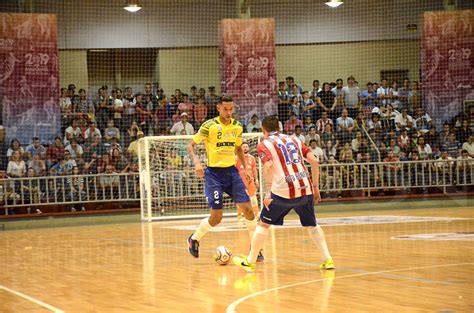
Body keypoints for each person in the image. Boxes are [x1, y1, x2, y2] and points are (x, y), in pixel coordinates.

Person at [232, 115, 334, 272]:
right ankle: (328, 260)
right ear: (279, 127)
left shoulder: (264, 144)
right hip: (304, 187)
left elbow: (269, 167)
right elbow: (314, 161)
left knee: (263, 224)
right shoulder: (295, 139)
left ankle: (250, 261)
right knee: (312, 224)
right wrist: (315, 187)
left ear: (263, 130)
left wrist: (267, 192)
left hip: (282, 190)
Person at [186, 95, 261, 260]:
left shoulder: (237, 126)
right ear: (218, 108)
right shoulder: (209, 126)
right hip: (214, 175)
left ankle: (256, 248)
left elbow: (239, 149)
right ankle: (194, 239)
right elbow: (190, 145)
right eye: (225, 109)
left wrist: (247, 169)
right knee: (216, 217)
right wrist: (197, 162)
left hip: (232, 172)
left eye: (231, 109)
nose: (228, 112)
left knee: (249, 210)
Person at [235, 142, 259, 220]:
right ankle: (239, 215)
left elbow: (254, 169)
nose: (245, 148)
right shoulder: (237, 158)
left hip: (250, 181)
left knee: (253, 198)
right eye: (243, 147)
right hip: (240, 181)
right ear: (241, 148)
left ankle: (256, 214)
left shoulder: (252, 158)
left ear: (248, 148)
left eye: (246, 146)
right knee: (241, 198)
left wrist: (256, 179)